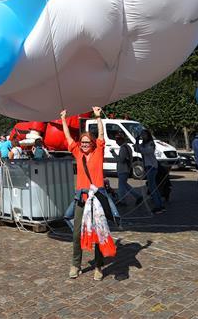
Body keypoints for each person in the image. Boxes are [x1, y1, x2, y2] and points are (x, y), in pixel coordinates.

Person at [62, 106, 116, 281]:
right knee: (76, 233)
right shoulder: (78, 153)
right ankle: (75, 265)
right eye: (82, 142)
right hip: (81, 199)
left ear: (92, 143)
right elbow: (68, 137)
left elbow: (101, 135)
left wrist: (98, 117)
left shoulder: (98, 151)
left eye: (87, 142)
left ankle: (99, 266)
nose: (84, 145)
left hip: (97, 199)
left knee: (99, 233)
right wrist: (63, 119)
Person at [138, 130, 165, 212]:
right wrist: (136, 142)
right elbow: (137, 149)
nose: (143, 136)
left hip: (152, 166)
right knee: (153, 186)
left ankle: (158, 206)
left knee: (152, 187)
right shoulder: (144, 144)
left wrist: (139, 147)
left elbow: (147, 151)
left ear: (148, 135)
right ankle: (160, 204)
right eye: (142, 135)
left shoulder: (151, 143)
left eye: (144, 134)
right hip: (148, 166)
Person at [113, 132, 137, 207]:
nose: (116, 142)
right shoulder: (127, 147)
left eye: (117, 140)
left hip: (123, 169)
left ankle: (122, 201)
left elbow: (121, 160)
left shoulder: (123, 148)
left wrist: (113, 153)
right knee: (125, 185)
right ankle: (138, 196)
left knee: (121, 186)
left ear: (121, 140)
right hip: (126, 168)